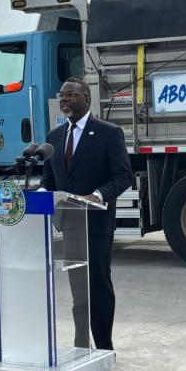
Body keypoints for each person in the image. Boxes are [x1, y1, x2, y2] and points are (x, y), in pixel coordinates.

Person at [41, 77, 132, 350]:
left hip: (95, 223)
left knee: (98, 286)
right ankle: (81, 345)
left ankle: (104, 347)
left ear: (87, 99)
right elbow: (50, 180)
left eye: (71, 94)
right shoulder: (53, 138)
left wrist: (97, 195)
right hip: (69, 225)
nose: (65, 99)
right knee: (78, 289)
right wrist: (42, 194)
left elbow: (123, 176)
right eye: (62, 95)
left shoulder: (107, 132)